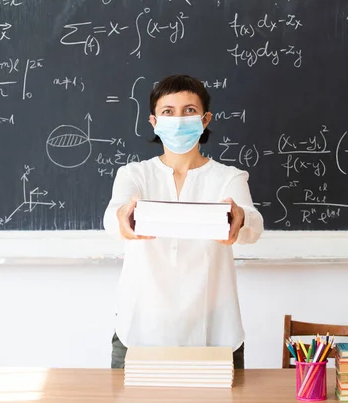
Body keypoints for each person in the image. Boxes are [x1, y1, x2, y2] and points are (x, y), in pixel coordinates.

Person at [103, 74, 264, 369]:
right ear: (154, 122)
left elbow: (252, 224)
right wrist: (123, 219)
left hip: (214, 330)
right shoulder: (134, 175)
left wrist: (240, 219)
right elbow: (114, 218)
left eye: (189, 110)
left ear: (205, 120)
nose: (178, 120)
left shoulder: (229, 177)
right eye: (168, 111)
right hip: (140, 328)